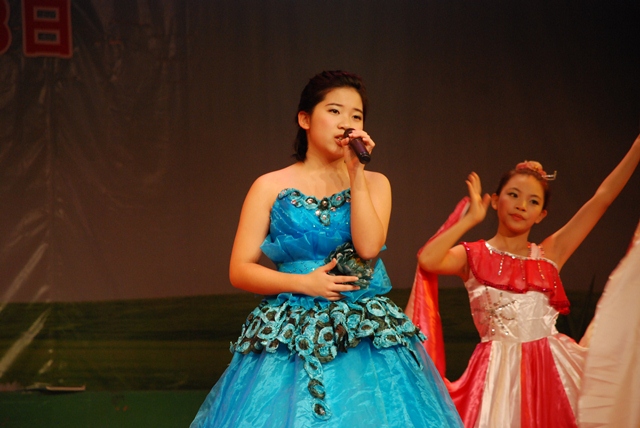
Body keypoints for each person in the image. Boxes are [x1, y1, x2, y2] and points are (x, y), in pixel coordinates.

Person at [190, 70, 463, 428]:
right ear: (305, 119)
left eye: (356, 116)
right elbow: (240, 269)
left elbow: (368, 247)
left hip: (363, 329)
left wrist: (356, 174)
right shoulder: (269, 186)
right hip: (289, 328)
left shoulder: (376, 183)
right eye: (334, 111)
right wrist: (304, 283)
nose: (346, 124)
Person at [406, 133, 640, 427]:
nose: (521, 206)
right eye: (513, 195)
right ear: (495, 200)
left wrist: (636, 149)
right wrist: (470, 220)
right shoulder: (473, 255)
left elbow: (601, 199)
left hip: (550, 371)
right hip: (496, 376)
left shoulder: (550, 253)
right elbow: (427, 259)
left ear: (541, 214)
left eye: (533, 201)